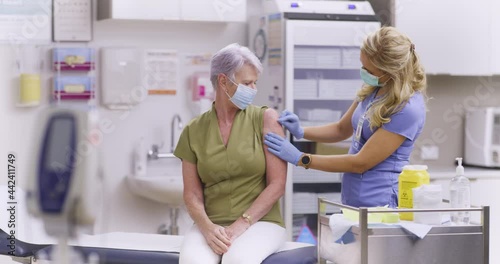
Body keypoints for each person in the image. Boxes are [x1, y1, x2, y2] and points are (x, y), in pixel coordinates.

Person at [264, 26, 427, 208]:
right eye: (362, 65)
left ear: (389, 71)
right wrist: (301, 131)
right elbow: (341, 129)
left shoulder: (407, 109)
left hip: (382, 202)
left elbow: (360, 163)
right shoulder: (375, 88)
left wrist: (302, 158)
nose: (363, 72)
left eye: (369, 70)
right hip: (354, 198)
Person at [174, 43, 287, 264]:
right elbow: (192, 195)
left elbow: (277, 185)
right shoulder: (194, 130)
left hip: (261, 222)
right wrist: (207, 228)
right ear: (223, 81)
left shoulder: (266, 120)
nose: (253, 89)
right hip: (212, 224)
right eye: (247, 83)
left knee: (238, 259)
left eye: (255, 82)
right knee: (192, 261)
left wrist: (241, 224)